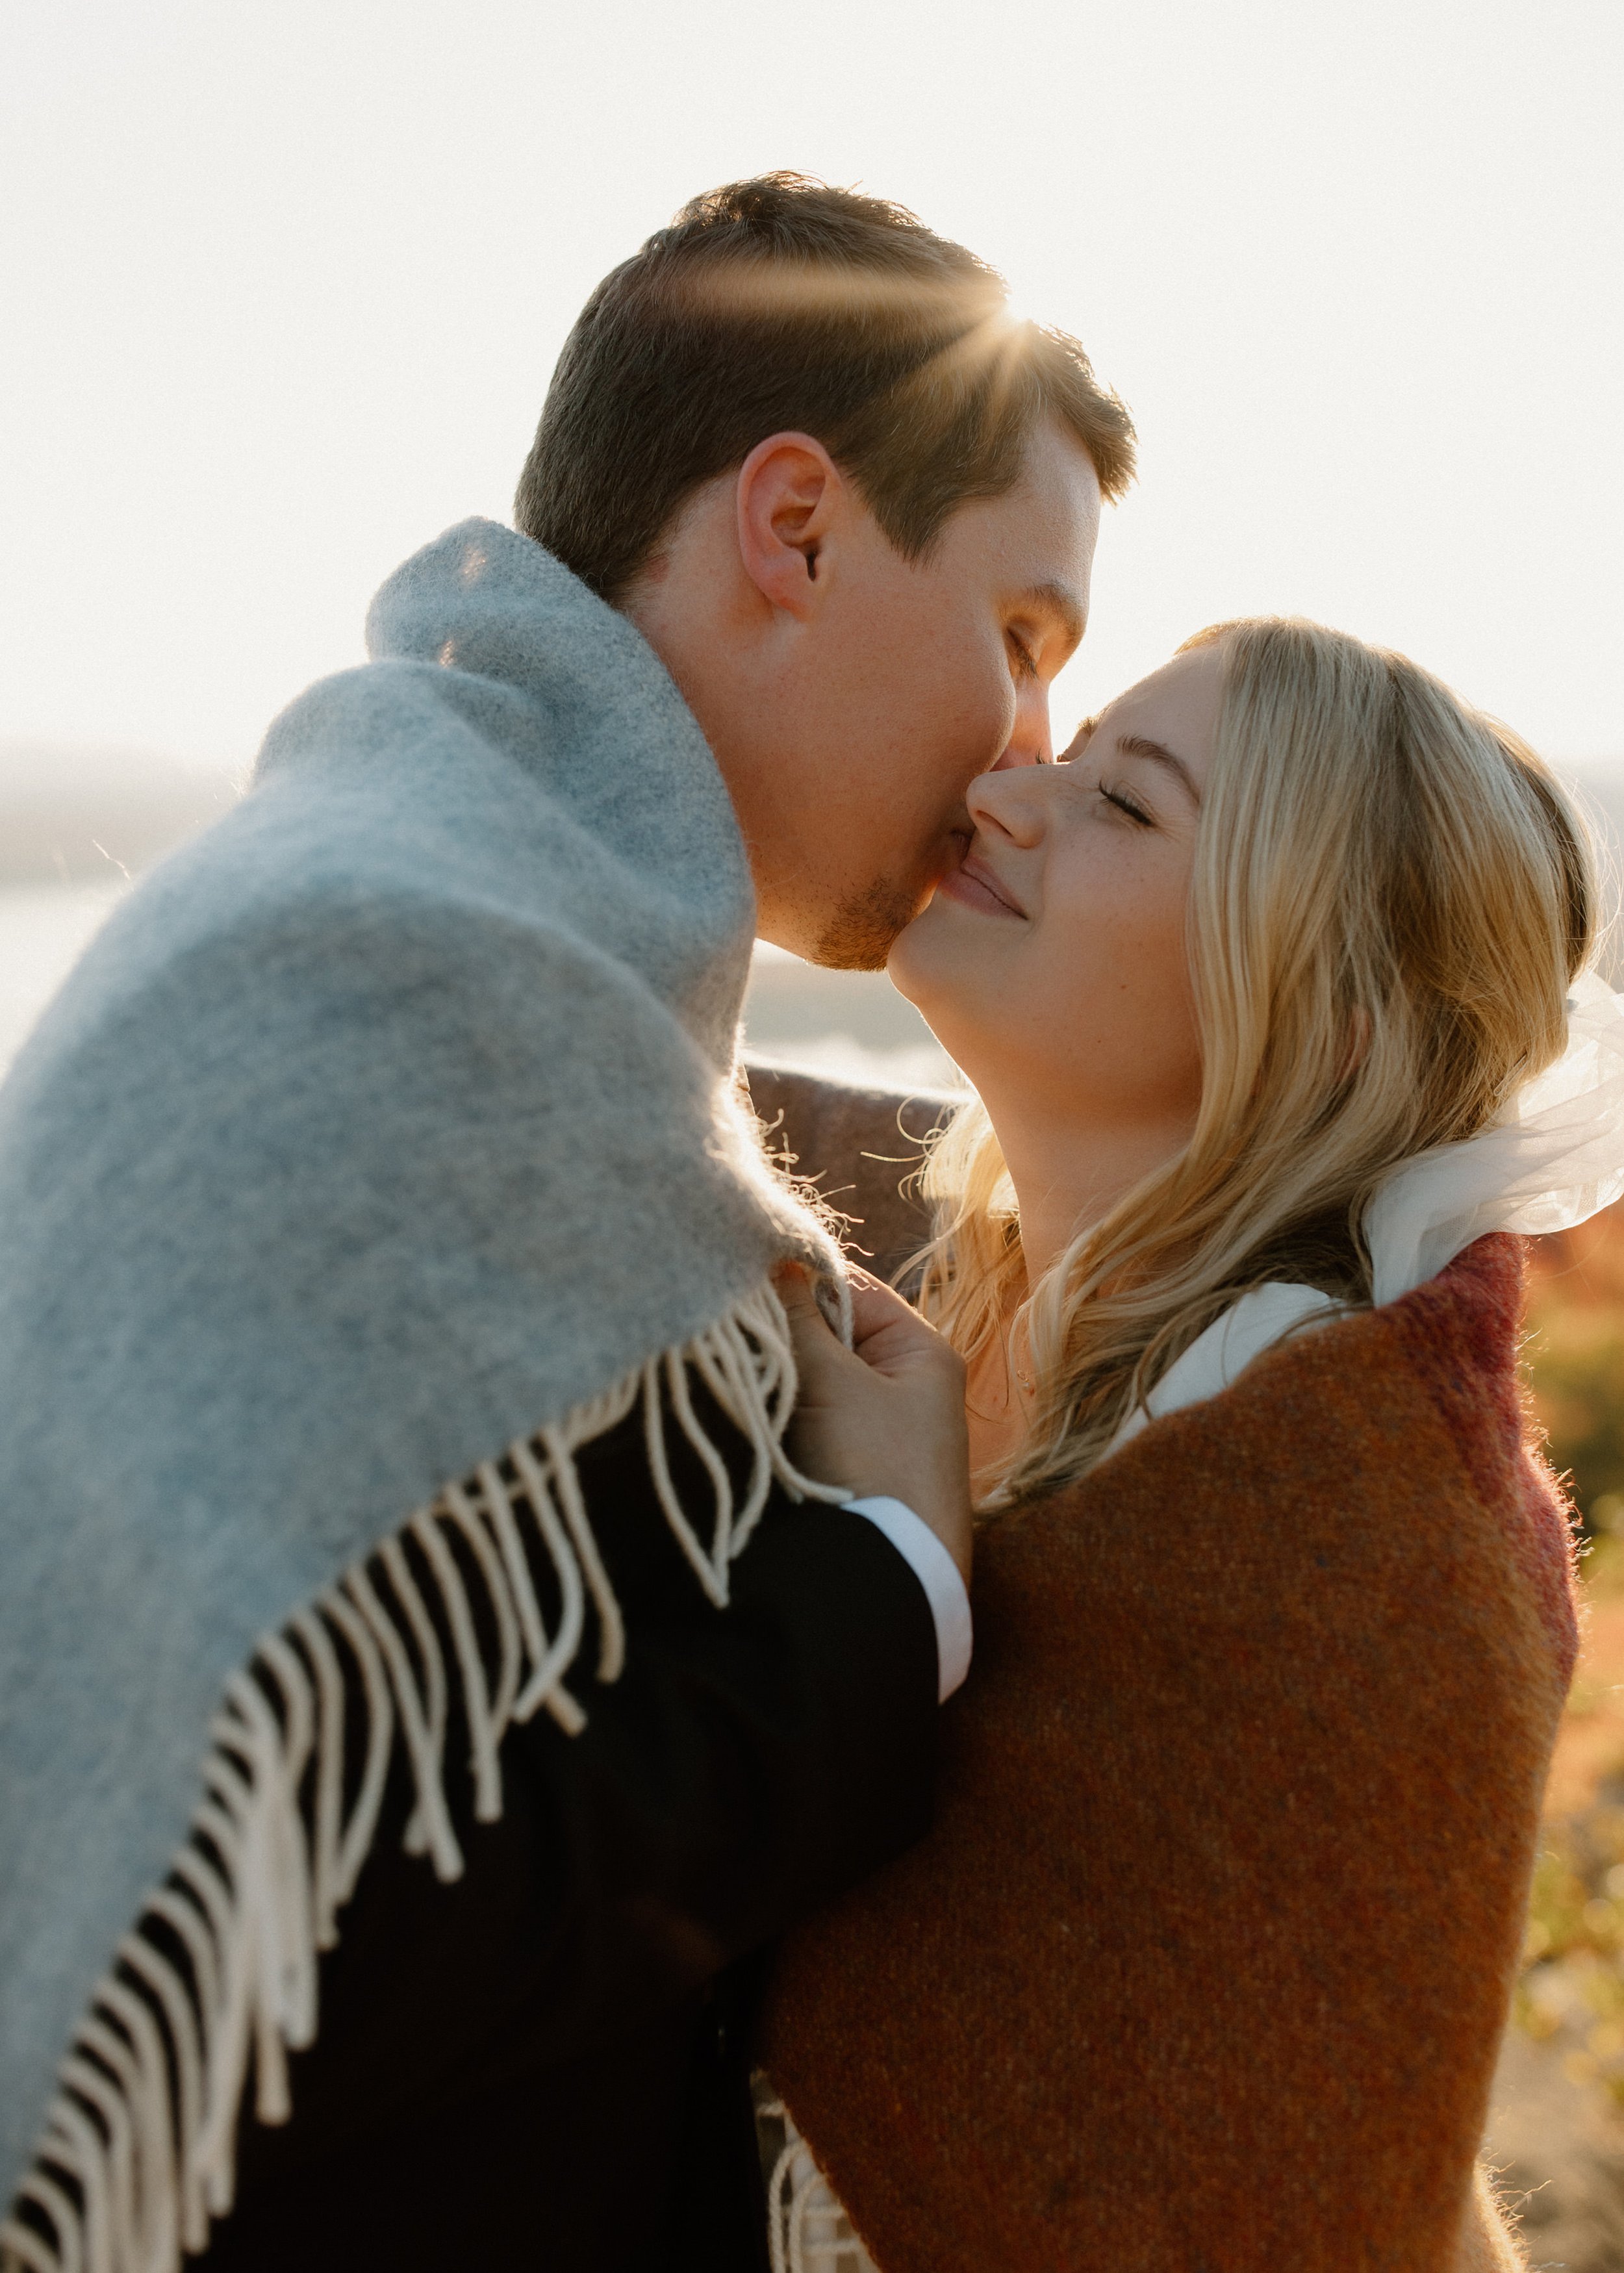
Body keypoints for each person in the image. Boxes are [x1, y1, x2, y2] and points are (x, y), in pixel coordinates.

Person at [0, 178, 1133, 2273]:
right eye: (1021, 634)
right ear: (791, 527)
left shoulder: (497, 944)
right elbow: (311, 1946)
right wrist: (884, 1587)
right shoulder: (392, 968)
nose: (1025, 755)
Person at [759, 620, 1624, 2271]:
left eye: (1126, 805)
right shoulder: (989, 1294)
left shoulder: (1334, 1518)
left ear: (1330, 1018)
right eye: (1066, 753)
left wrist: (874, 1590)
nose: (1010, 795)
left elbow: (1284, 2176)